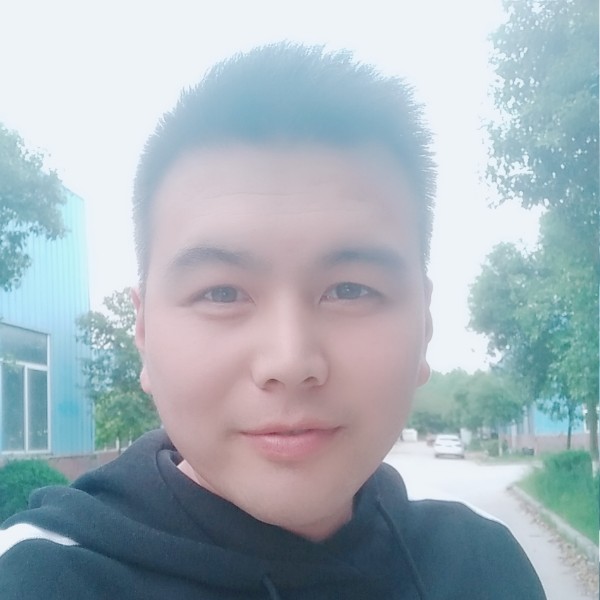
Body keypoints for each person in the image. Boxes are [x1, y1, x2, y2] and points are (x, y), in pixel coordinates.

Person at [0, 43, 546, 599]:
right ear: (144, 333)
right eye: (221, 292)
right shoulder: (42, 579)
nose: (289, 361)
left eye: (350, 289)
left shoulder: (482, 567)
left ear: (425, 325)